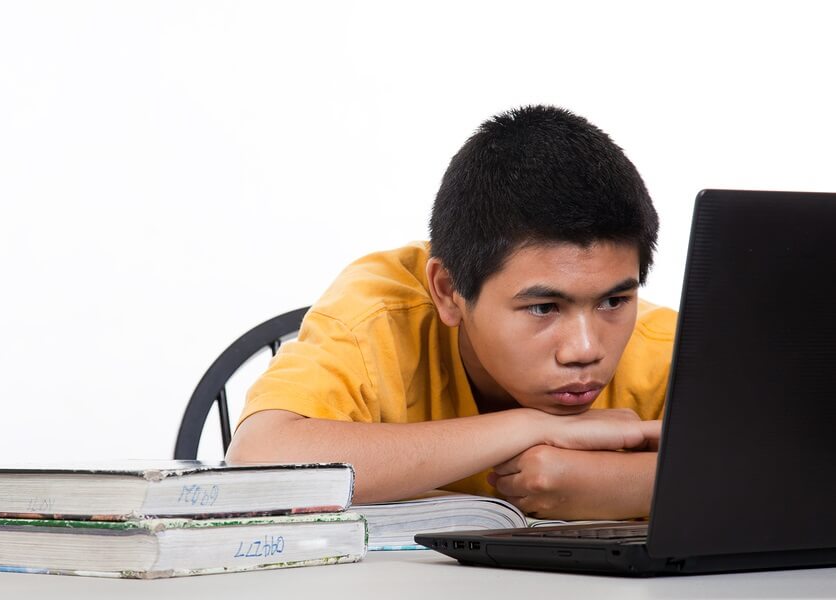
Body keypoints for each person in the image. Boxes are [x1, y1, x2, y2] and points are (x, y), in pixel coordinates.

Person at [228, 105, 676, 520]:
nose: (584, 349)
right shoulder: (379, 316)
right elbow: (258, 458)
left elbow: (748, 470)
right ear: (448, 290)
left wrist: (639, 485)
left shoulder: (666, 350)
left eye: (614, 301)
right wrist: (529, 427)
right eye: (543, 307)